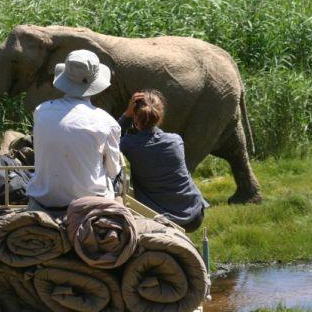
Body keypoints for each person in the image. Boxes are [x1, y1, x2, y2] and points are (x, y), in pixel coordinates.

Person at [26, 50, 122, 212]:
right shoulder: (107, 122)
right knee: (117, 175)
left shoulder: (40, 110)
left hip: (43, 200)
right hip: (89, 204)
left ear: (64, 78)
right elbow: (113, 170)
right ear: (95, 83)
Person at [119, 90, 208, 232]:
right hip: (195, 215)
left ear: (136, 117)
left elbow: (112, 137)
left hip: (161, 219)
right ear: (160, 115)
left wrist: (126, 115)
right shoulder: (176, 140)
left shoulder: (129, 145)